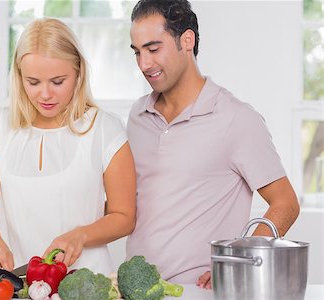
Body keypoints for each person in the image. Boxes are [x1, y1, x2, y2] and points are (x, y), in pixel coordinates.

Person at [125, 0, 300, 289]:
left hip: (200, 291)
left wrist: (235, 261)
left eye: (154, 49)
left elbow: (286, 203)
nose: (144, 64)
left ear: (187, 40)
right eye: (137, 52)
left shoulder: (236, 118)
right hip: (136, 290)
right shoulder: (137, 115)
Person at [0, 18, 136, 276]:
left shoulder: (105, 128)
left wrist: (80, 236)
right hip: (19, 281)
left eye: (58, 81)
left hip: (87, 282)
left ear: (78, 73)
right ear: (19, 76)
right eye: (33, 82)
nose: (45, 94)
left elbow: (124, 215)